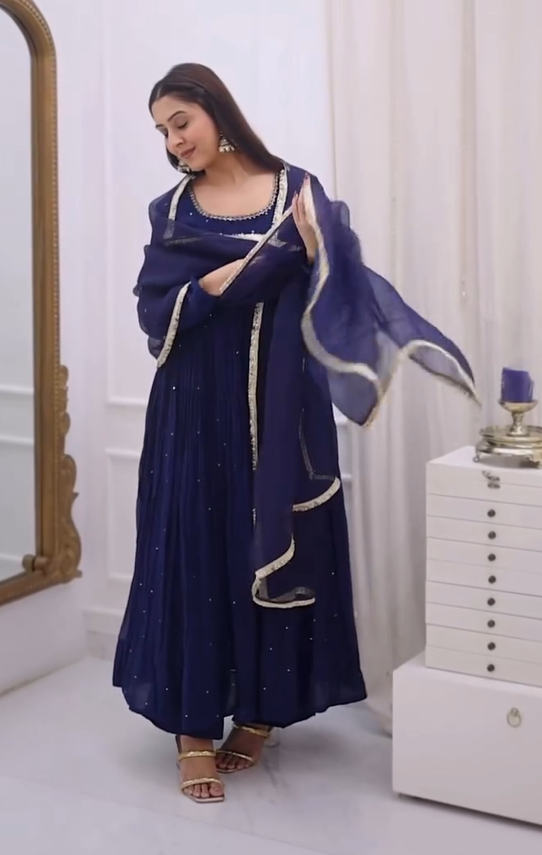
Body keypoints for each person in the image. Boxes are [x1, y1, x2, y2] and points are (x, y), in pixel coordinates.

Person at [113, 63, 477, 805]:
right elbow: (154, 308)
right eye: (161, 131)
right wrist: (212, 284)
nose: (173, 140)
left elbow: (341, 290)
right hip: (193, 404)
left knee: (276, 540)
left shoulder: (298, 193)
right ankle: (191, 730)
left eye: (181, 121)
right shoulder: (171, 210)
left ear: (217, 112)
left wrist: (312, 253)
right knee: (195, 547)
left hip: (281, 406)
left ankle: (260, 710)